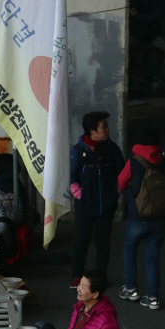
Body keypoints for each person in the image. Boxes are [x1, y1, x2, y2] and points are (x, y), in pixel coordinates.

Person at [69, 112, 125, 288]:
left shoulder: (112, 149)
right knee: (81, 241)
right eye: (103, 127)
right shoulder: (78, 151)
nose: (107, 130)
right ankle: (77, 276)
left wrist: (114, 194)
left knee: (103, 243)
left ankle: (100, 277)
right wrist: (81, 195)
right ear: (92, 131)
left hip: (106, 206)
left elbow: (122, 175)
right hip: (85, 207)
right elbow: (71, 177)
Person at [117, 135, 165, 310]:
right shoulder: (163, 161)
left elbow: (121, 181)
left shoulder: (134, 162)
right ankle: (153, 297)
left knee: (129, 250)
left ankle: (131, 289)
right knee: (152, 255)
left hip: (138, 216)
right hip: (160, 215)